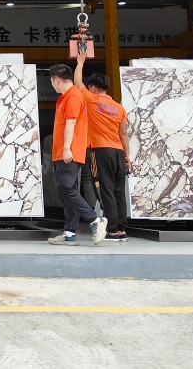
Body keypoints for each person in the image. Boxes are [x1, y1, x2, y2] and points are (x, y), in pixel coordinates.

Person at [46, 64, 108, 246]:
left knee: (65, 189)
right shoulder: (68, 97)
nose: (52, 85)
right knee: (68, 192)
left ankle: (95, 220)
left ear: (57, 80)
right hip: (65, 152)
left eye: (52, 82)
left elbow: (71, 124)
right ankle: (70, 233)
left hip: (68, 152)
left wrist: (67, 148)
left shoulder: (72, 96)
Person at [74, 51, 132, 241]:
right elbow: (123, 134)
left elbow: (77, 82)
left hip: (100, 151)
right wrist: (127, 156)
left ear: (93, 87)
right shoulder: (119, 108)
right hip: (118, 152)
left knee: (104, 190)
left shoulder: (92, 100)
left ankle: (112, 230)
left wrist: (80, 62)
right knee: (118, 192)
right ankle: (122, 230)